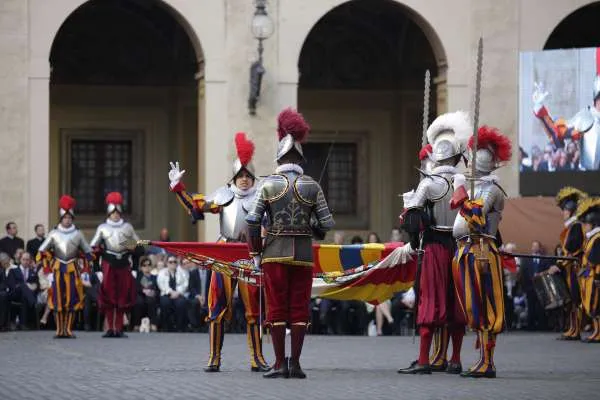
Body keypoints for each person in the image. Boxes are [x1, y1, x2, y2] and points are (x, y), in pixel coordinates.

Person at [169, 132, 269, 373]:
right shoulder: (224, 195)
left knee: (253, 310)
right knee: (217, 308)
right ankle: (214, 357)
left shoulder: (261, 198)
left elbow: (272, 224)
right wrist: (178, 187)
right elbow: (197, 205)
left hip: (249, 254)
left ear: (253, 177)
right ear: (234, 177)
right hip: (224, 252)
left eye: (247, 176)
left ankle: (257, 357)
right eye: (240, 175)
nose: (244, 179)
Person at [246, 108, 334, 379]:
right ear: (300, 158)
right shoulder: (312, 186)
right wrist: (312, 231)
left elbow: (252, 222)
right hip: (304, 255)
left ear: (279, 158)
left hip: (273, 254)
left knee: (276, 309)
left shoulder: (268, 185)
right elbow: (327, 224)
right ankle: (295, 364)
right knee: (299, 309)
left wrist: (255, 254)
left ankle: (279, 364)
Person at [398, 111, 471, 375]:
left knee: (430, 300)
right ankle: (455, 359)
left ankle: (424, 359)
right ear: (455, 157)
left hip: (434, 249)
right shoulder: (466, 186)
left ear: (436, 157)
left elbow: (412, 221)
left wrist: (416, 236)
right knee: (456, 302)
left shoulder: (428, 185)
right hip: (460, 249)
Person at [450, 125, 512, 378]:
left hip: (481, 251)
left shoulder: (491, 189)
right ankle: (483, 360)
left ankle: (488, 361)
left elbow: (476, 216)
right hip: (467, 251)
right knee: (474, 308)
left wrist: (462, 191)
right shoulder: (479, 186)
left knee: (484, 306)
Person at [36, 195, 93, 338]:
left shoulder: (78, 234)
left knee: (72, 299)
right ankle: (59, 330)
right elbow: (42, 251)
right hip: (57, 269)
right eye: (65, 218)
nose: (67, 220)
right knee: (57, 299)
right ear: (61, 218)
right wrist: (47, 268)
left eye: (69, 218)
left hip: (73, 269)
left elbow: (88, 252)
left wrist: (86, 266)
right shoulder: (54, 233)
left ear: (72, 218)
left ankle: (68, 329)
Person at [90, 192, 141, 338]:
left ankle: (118, 328)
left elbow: (138, 248)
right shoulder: (102, 228)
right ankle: (109, 328)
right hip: (108, 265)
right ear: (109, 214)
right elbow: (94, 249)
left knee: (122, 297)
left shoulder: (127, 227)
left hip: (124, 264)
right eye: (113, 213)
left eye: (118, 213)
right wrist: (97, 269)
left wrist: (135, 268)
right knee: (108, 297)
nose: (116, 215)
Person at [532, 78, 600, 170]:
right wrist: (541, 110)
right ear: (597, 98)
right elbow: (558, 133)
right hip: (588, 176)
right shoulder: (586, 117)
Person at [547, 187, 587, 340]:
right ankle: (572, 328)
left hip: (575, 268)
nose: (562, 213)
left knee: (576, 299)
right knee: (571, 300)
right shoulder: (571, 227)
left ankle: (576, 330)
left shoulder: (576, 227)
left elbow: (573, 250)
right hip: (569, 268)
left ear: (571, 211)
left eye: (564, 210)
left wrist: (559, 265)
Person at [575, 197, 600, 343]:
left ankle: (598, 333)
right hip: (588, 275)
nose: (584, 226)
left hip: (594, 276)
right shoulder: (592, 238)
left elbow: (597, 260)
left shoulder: (597, 238)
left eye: (586, 224)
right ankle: (596, 332)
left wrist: (597, 277)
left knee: (596, 306)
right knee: (592, 307)